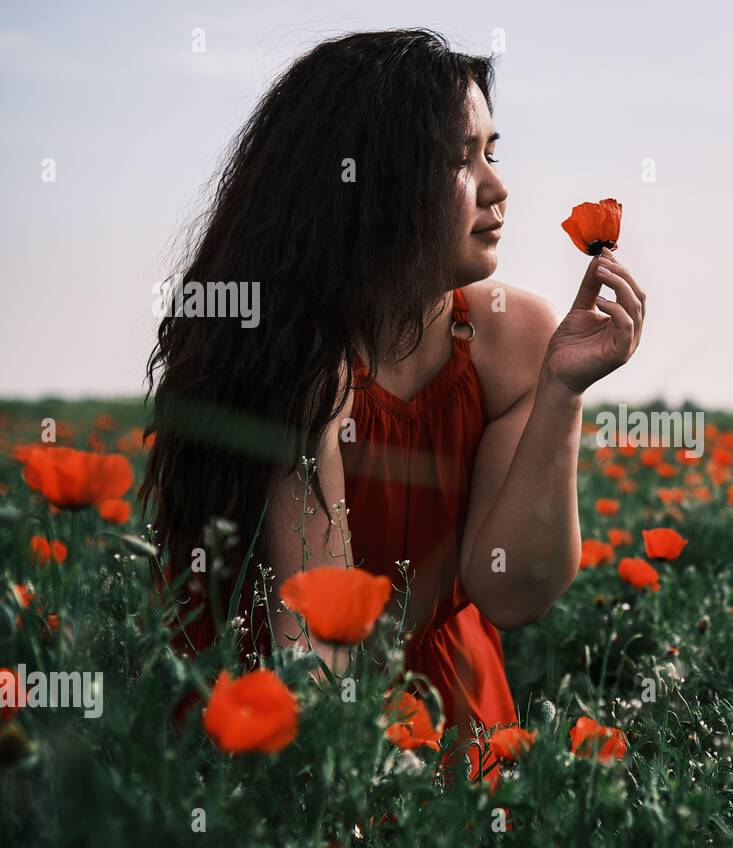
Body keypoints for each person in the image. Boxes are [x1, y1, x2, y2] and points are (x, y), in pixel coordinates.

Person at [140, 29, 647, 772]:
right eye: (457, 160)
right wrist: (358, 793)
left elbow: (512, 592)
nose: (497, 188)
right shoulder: (296, 361)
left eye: (491, 152)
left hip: (452, 706)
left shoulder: (514, 340)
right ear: (369, 182)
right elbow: (310, 641)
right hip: (285, 709)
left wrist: (562, 392)